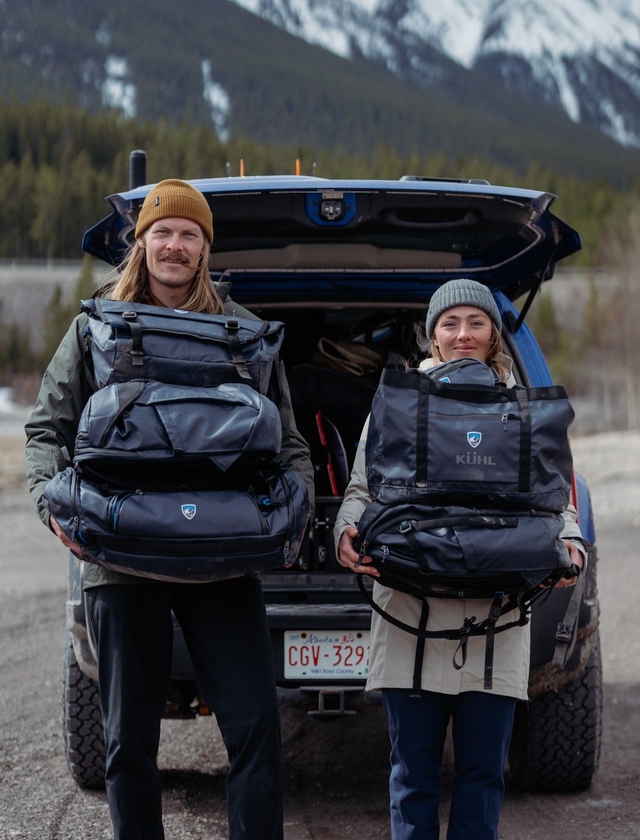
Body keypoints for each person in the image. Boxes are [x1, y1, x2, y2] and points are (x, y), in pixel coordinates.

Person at [25, 179, 314, 840]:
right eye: (163, 231)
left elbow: (290, 443)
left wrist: (294, 510)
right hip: (120, 564)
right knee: (128, 746)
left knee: (255, 731)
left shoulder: (243, 334)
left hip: (223, 564)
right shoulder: (95, 327)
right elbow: (47, 431)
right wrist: (54, 507)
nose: (175, 245)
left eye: (189, 234)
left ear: (205, 248)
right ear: (141, 241)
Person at [334, 277, 586, 840]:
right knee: (413, 777)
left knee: (481, 777)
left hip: (498, 620)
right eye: (450, 323)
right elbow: (360, 492)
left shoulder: (522, 409)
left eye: (476, 322)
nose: (463, 333)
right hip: (409, 619)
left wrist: (572, 545)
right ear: (433, 337)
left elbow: (555, 498)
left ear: (494, 335)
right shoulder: (397, 403)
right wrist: (346, 532)